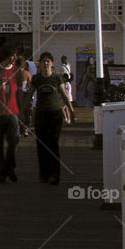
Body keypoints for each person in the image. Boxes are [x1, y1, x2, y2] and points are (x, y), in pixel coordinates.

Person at [31, 52, 72, 185]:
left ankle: (55, 175)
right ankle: (44, 173)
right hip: (41, 114)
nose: (46, 63)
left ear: (52, 64)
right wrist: (25, 111)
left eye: (48, 61)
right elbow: (29, 95)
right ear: (40, 64)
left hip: (55, 114)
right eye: (43, 61)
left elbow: (64, 95)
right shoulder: (36, 79)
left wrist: (72, 111)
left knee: (53, 144)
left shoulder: (56, 78)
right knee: (41, 144)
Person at [0, 44, 20, 183]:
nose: (15, 58)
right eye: (12, 55)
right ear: (6, 56)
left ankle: (9, 166)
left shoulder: (17, 71)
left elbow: (21, 92)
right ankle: (2, 172)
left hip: (13, 112)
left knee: (13, 142)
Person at [14, 54, 33, 136]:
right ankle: (25, 129)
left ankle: (17, 129)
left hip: (16, 94)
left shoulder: (14, 73)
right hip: (25, 95)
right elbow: (30, 85)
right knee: (26, 112)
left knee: (17, 112)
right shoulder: (27, 73)